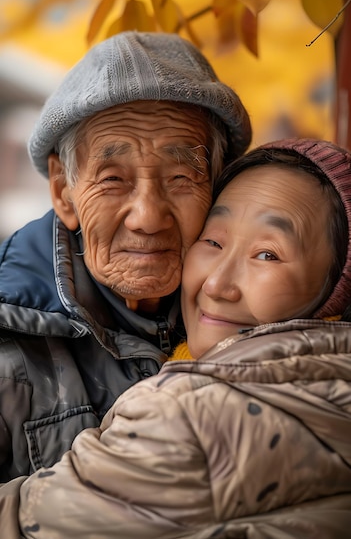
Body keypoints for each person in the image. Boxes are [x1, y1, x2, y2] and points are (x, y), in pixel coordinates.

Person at [2, 137, 351, 539]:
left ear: (335, 288)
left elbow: (23, 522)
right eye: (213, 241)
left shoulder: (190, 412)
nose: (217, 284)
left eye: (267, 254)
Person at [0, 31, 251, 482]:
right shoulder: (8, 347)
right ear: (64, 191)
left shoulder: (264, 310)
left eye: (180, 176)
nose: (148, 217)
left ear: (218, 183)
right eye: (113, 179)